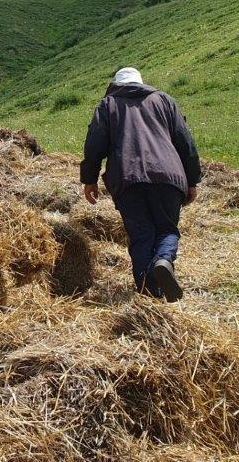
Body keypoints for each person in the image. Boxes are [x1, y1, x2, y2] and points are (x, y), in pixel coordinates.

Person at [80, 67, 201, 302]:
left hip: (127, 179)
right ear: (141, 82)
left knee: (141, 235)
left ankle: (148, 292)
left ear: (116, 84)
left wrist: (89, 180)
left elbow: (94, 145)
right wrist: (192, 179)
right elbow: (185, 141)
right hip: (168, 176)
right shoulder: (164, 100)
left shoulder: (108, 105)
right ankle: (163, 261)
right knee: (166, 229)